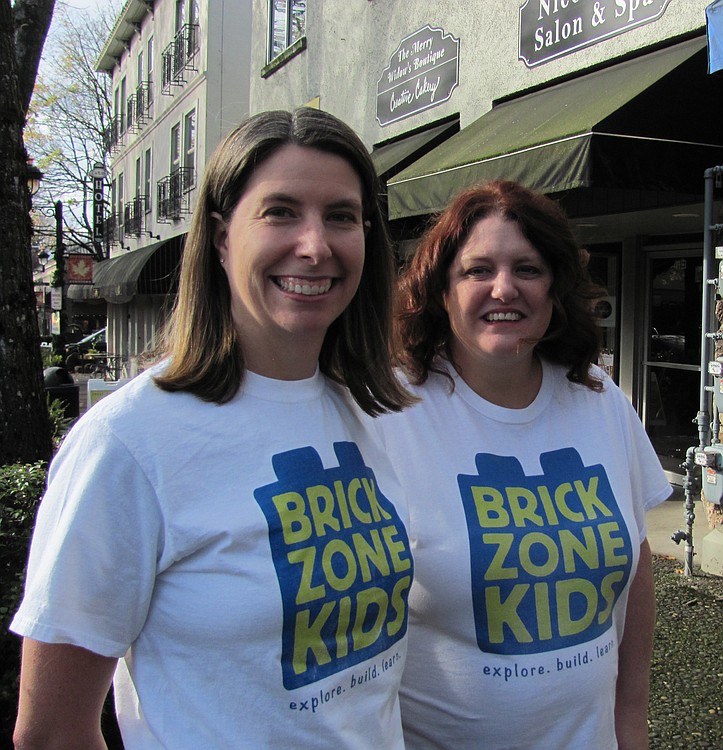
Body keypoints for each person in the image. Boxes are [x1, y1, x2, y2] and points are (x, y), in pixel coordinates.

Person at [11, 108, 415, 749]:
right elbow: (52, 732)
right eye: (280, 212)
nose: (315, 245)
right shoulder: (129, 444)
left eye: (341, 215)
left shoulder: (370, 412)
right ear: (223, 239)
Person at [375, 180, 672, 749]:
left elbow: (635, 560)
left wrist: (630, 718)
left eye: (528, 269)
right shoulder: (390, 411)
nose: (503, 288)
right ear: (441, 289)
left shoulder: (600, 398)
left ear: (555, 287)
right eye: (477, 270)